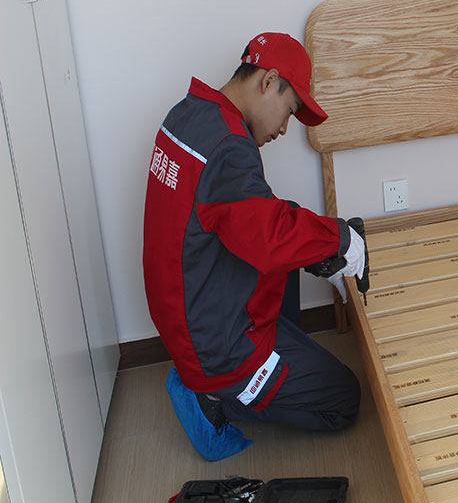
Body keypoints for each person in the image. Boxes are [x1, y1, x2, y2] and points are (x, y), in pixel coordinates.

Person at [143, 32, 367, 459]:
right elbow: (269, 237)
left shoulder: (189, 115)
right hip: (219, 349)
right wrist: (340, 239)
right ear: (268, 81)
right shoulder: (229, 146)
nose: (283, 129)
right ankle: (215, 397)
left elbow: (251, 215)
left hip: (188, 315)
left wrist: (321, 251)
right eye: (289, 112)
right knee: (344, 399)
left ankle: (267, 365)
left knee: (287, 239)